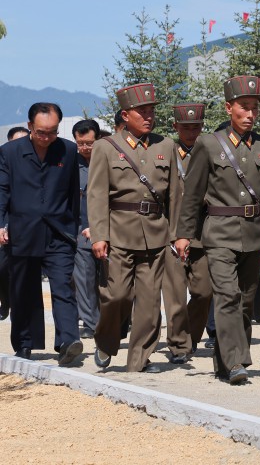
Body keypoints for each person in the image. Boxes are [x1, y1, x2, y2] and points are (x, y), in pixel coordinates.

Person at [174, 75, 260, 385]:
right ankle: (236, 361)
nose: (250, 114)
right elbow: (193, 194)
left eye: (254, 108)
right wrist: (184, 234)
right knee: (226, 295)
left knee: (245, 301)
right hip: (219, 232)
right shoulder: (209, 144)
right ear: (229, 108)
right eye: (244, 107)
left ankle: (225, 361)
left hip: (254, 233)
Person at [88, 85, 181, 373]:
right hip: (118, 233)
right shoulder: (105, 147)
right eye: (142, 112)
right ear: (126, 115)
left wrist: (178, 235)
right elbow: (97, 195)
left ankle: (139, 359)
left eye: (152, 111)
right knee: (116, 295)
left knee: (150, 301)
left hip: (155, 233)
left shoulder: (165, 145)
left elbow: (176, 194)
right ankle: (105, 342)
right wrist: (100, 235)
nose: (149, 117)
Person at [0, 103, 82, 365]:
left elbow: (73, 192)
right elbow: (2, 191)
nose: (47, 138)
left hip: (59, 232)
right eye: (41, 132)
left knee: (63, 287)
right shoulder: (9, 152)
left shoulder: (68, 150)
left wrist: (73, 226)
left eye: (53, 132)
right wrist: (1, 224)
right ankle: (24, 343)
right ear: (29, 127)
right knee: (23, 289)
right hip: (22, 231)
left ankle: (68, 341)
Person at [162, 103, 214, 364]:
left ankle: (191, 337)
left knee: (204, 292)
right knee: (175, 296)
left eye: (196, 127)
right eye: (185, 127)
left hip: (202, 233)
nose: (191, 132)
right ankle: (178, 345)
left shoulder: (210, 152)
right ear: (176, 127)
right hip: (171, 232)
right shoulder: (167, 152)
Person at [71, 119, 101, 339]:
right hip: (81, 228)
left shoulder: (108, 160)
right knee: (85, 277)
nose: (85, 148)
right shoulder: (70, 164)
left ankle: (116, 320)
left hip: (110, 227)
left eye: (89, 143)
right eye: (80, 143)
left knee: (109, 280)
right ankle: (91, 323)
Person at [0, 127, 29, 323]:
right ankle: (6, 301)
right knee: (2, 266)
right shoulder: (3, 163)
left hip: (29, 226)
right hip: (6, 223)